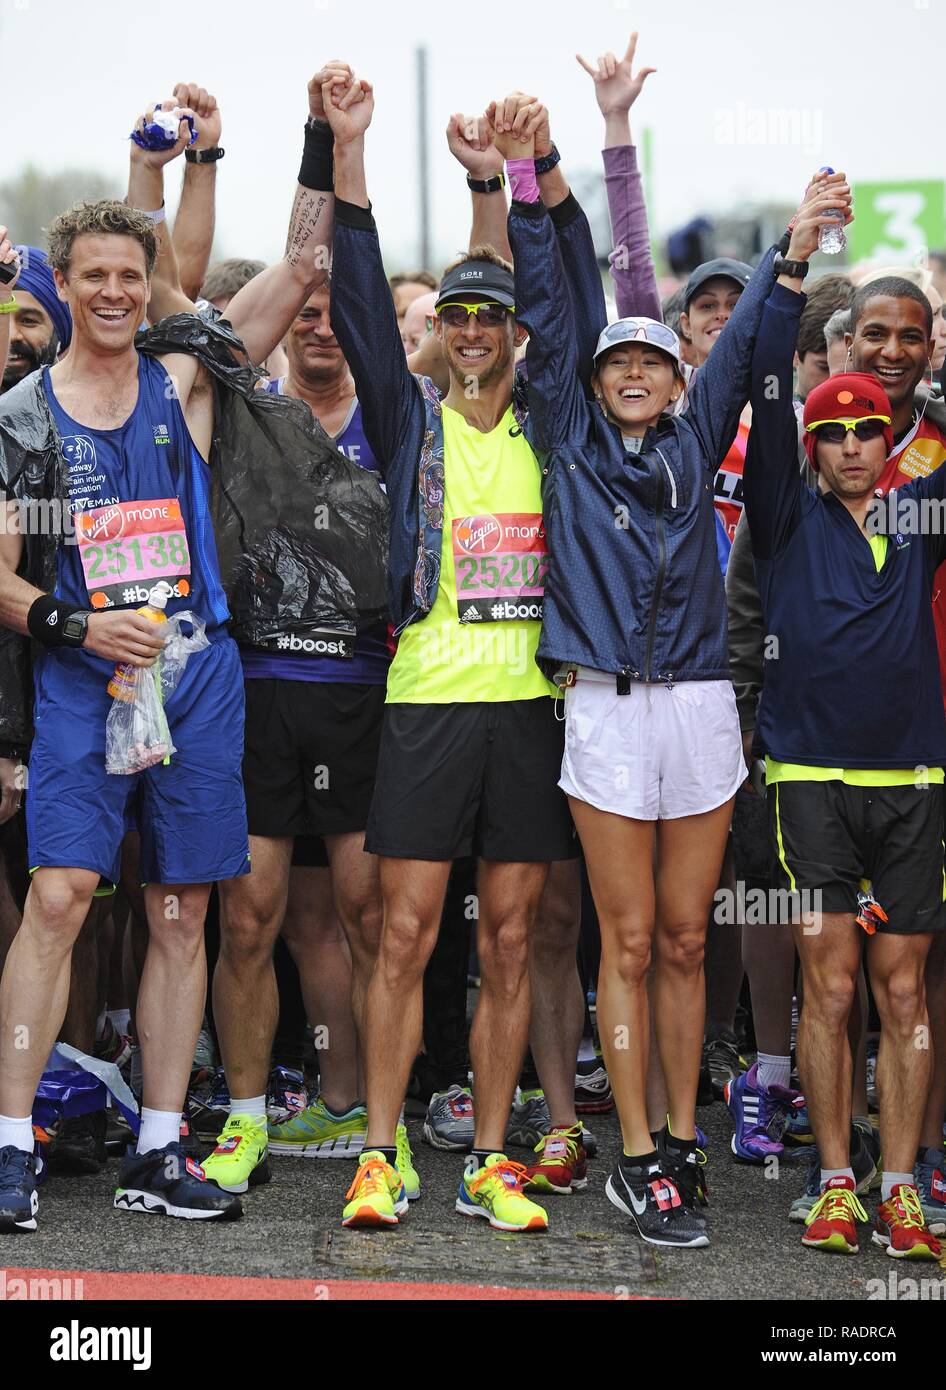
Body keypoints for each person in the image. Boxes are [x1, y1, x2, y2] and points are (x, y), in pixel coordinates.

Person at [0, 72, 341, 1232]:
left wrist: (322, 138)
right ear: (62, 285)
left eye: (127, 275)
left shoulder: (182, 374)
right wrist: (74, 621)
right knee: (58, 898)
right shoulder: (24, 416)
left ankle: (158, 1144)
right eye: (90, 275)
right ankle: (8, 1147)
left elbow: (298, 269)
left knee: (185, 910)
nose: (110, 290)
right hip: (79, 677)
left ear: (147, 290)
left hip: (195, 677)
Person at [505, 90, 813, 1248]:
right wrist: (540, 169)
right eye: (615, 361)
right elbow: (563, 296)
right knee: (626, 942)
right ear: (589, 385)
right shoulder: (569, 442)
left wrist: (792, 246)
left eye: (652, 359)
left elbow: (745, 342)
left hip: (700, 710)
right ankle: (633, 1151)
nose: (634, 366)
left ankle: (678, 1132)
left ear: (680, 384)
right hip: (603, 712)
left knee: (687, 940)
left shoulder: (697, 427)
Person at [326, 77, 602, 1235]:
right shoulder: (409, 417)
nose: (477, 330)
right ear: (436, 334)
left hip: (529, 708)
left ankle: (489, 1153)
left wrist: (526, 173)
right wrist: (347, 150)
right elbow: (349, 296)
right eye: (458, 317)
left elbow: (570, 287)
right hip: (426, 705)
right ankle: (379, 1152)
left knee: (510, 938)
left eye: (494, 316)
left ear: (517, 335)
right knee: (404, 931)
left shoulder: (553, 422)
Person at [744, 179, 943, 1261]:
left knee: (902, 983)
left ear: (895, 439)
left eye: (875, 431)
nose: (857, 445)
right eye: (837, 433)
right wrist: (793, 250)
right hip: (808, 779)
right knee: (827, 979)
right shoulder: (780, 511)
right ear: (811, 448)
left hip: (915, 780)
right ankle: (830, 1181)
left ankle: (901, 1185)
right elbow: (771, 378)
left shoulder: (927, 506)